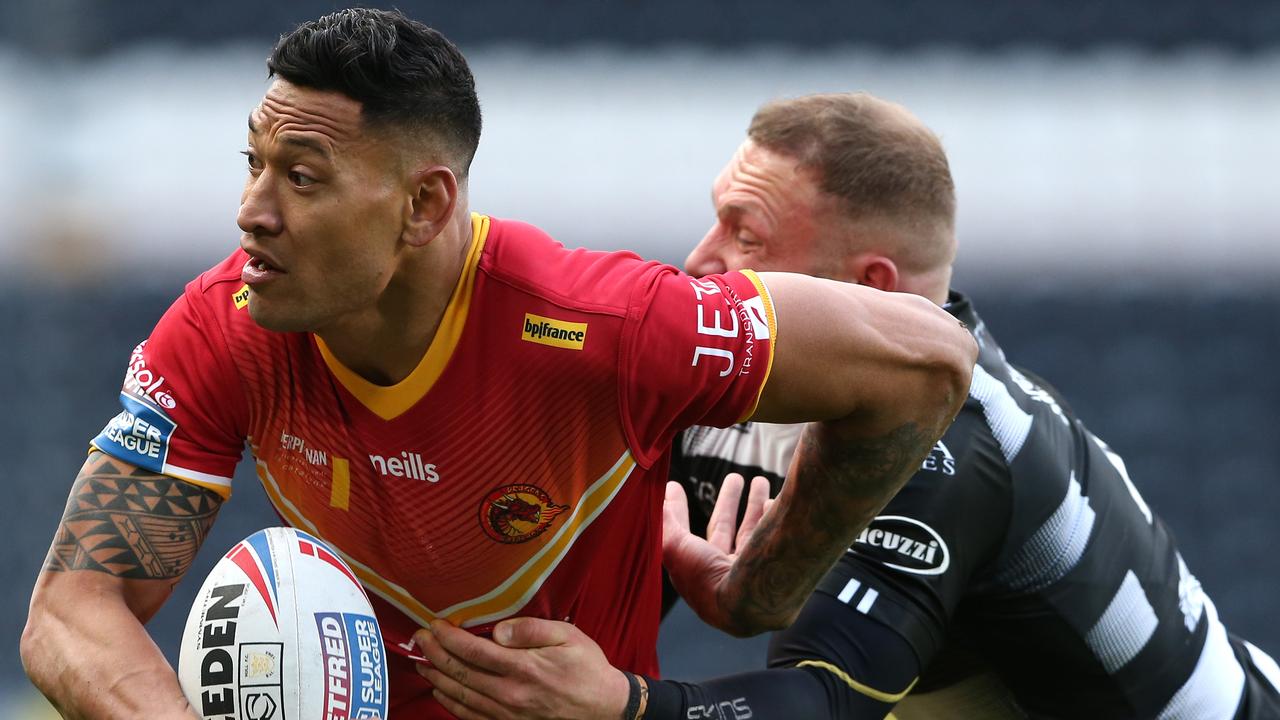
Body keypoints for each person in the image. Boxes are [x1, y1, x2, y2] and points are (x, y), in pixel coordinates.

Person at [18, 12, 978, 720]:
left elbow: (928, 361)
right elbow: (71, 609)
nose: (252, 211)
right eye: (254, 163)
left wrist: (762, 587)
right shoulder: (227, 325)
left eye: (301, 178)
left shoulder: (606, 325)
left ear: (425, 207)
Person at [414, 93, 1280, 719]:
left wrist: (629, 707)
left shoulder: (949, 448)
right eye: (714, 221)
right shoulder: (724, 376)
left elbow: (824, 700)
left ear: (870, 286)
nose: (699, 259)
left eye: (746, 235)